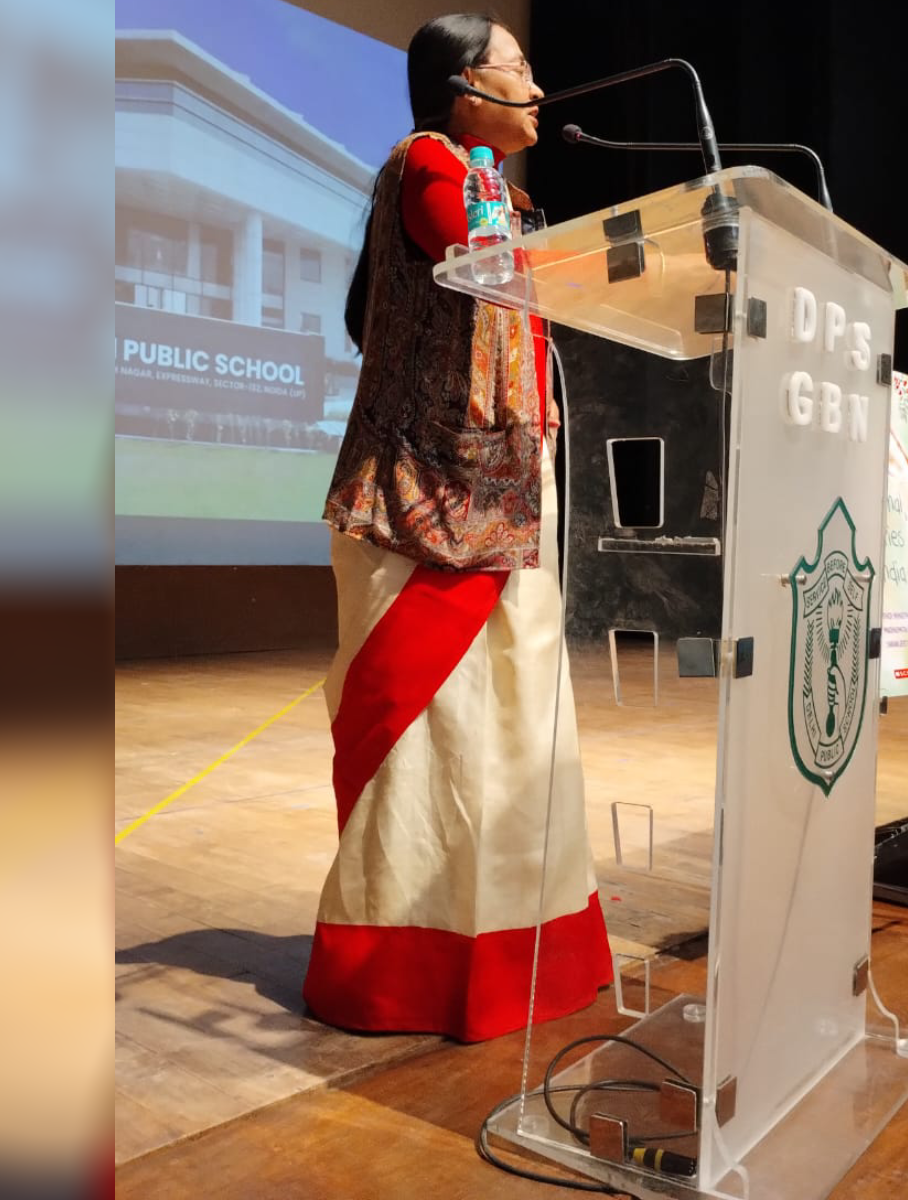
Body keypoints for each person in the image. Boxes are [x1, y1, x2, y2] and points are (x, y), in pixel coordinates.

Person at [305, 14, 612, 1042]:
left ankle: (527, 942)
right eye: (519, 69)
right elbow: (477, 257)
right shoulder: (432, 163)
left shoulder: (500, 190)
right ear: (463, 85)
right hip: (423, 510)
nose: (539, 90)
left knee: (514, 727)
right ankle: (404, 965)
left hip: (504, 499)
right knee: (435, 741)